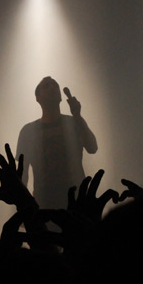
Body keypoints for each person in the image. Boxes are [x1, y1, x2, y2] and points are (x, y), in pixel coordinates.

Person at [16, 76, 98, 209]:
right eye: (46, 86)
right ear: (38, 98)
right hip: (45, 206)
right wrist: (23, 206)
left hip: (78, 204)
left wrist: (77, 116)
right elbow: (22, 172)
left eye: (55, 85)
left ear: (60, 96)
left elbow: (92, 147)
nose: (52, 88)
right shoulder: (28, 131)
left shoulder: (74, 122)